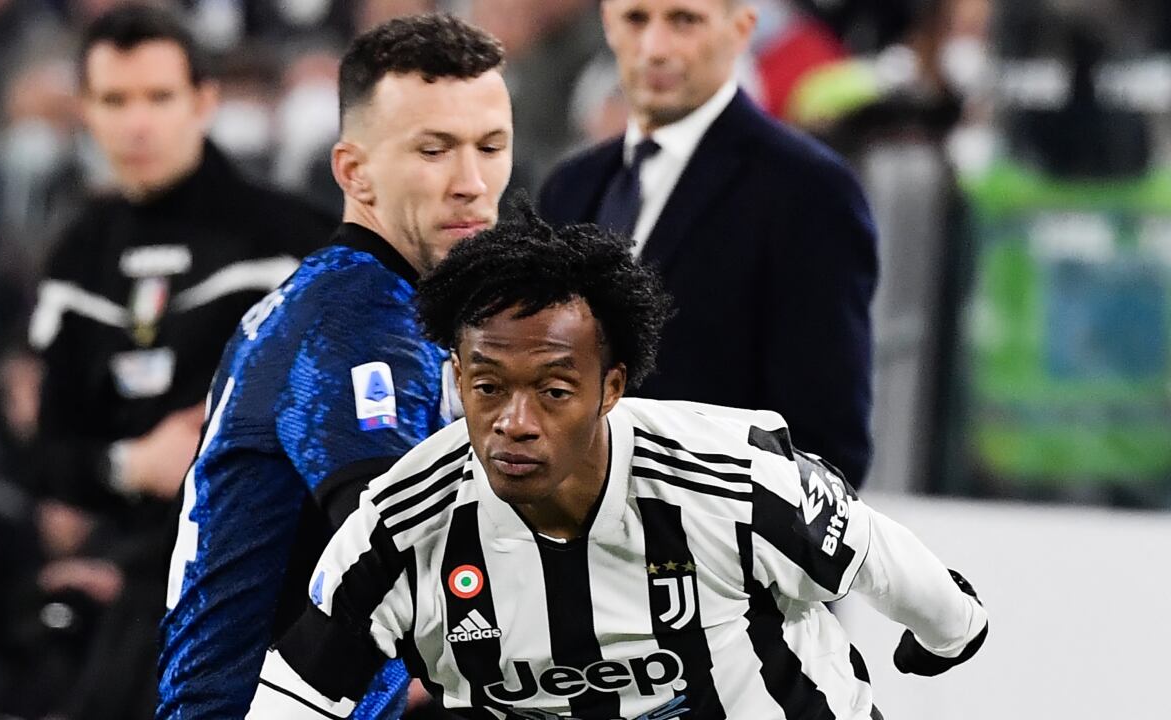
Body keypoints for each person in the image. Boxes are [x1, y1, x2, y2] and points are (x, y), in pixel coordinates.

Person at [243, 207, 988, 719]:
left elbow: (882, 558)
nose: (515, 423)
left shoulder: (731, 481)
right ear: (456, 379)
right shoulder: (401, 528)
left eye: (553, 391)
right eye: (488, 387)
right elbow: (298, 692)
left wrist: (951, 632)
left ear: (612, 388)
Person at [157, 13, 512, 719]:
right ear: (354, 171)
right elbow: (403, 554)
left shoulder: (355, 299)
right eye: (435, 150)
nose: (472, 182)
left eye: (491, 146)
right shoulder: (356, 318)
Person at [24, 4, 333, 717]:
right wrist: (130, 465)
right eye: (115, 101)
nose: (137, 124)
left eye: (159, 98)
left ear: (204, 101)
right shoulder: (77, 256)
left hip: (268, 567)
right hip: (130, 569)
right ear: (86, 112)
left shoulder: (290, 241)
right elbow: (48, 454)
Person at [538, 0, 878, 486]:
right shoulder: (570, 187)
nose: (655, 47)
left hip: (719, 528)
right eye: (636, 19)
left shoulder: (809, 192)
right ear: (609, 25)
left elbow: (826, 448)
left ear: (740, 29)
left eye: (684, 20)